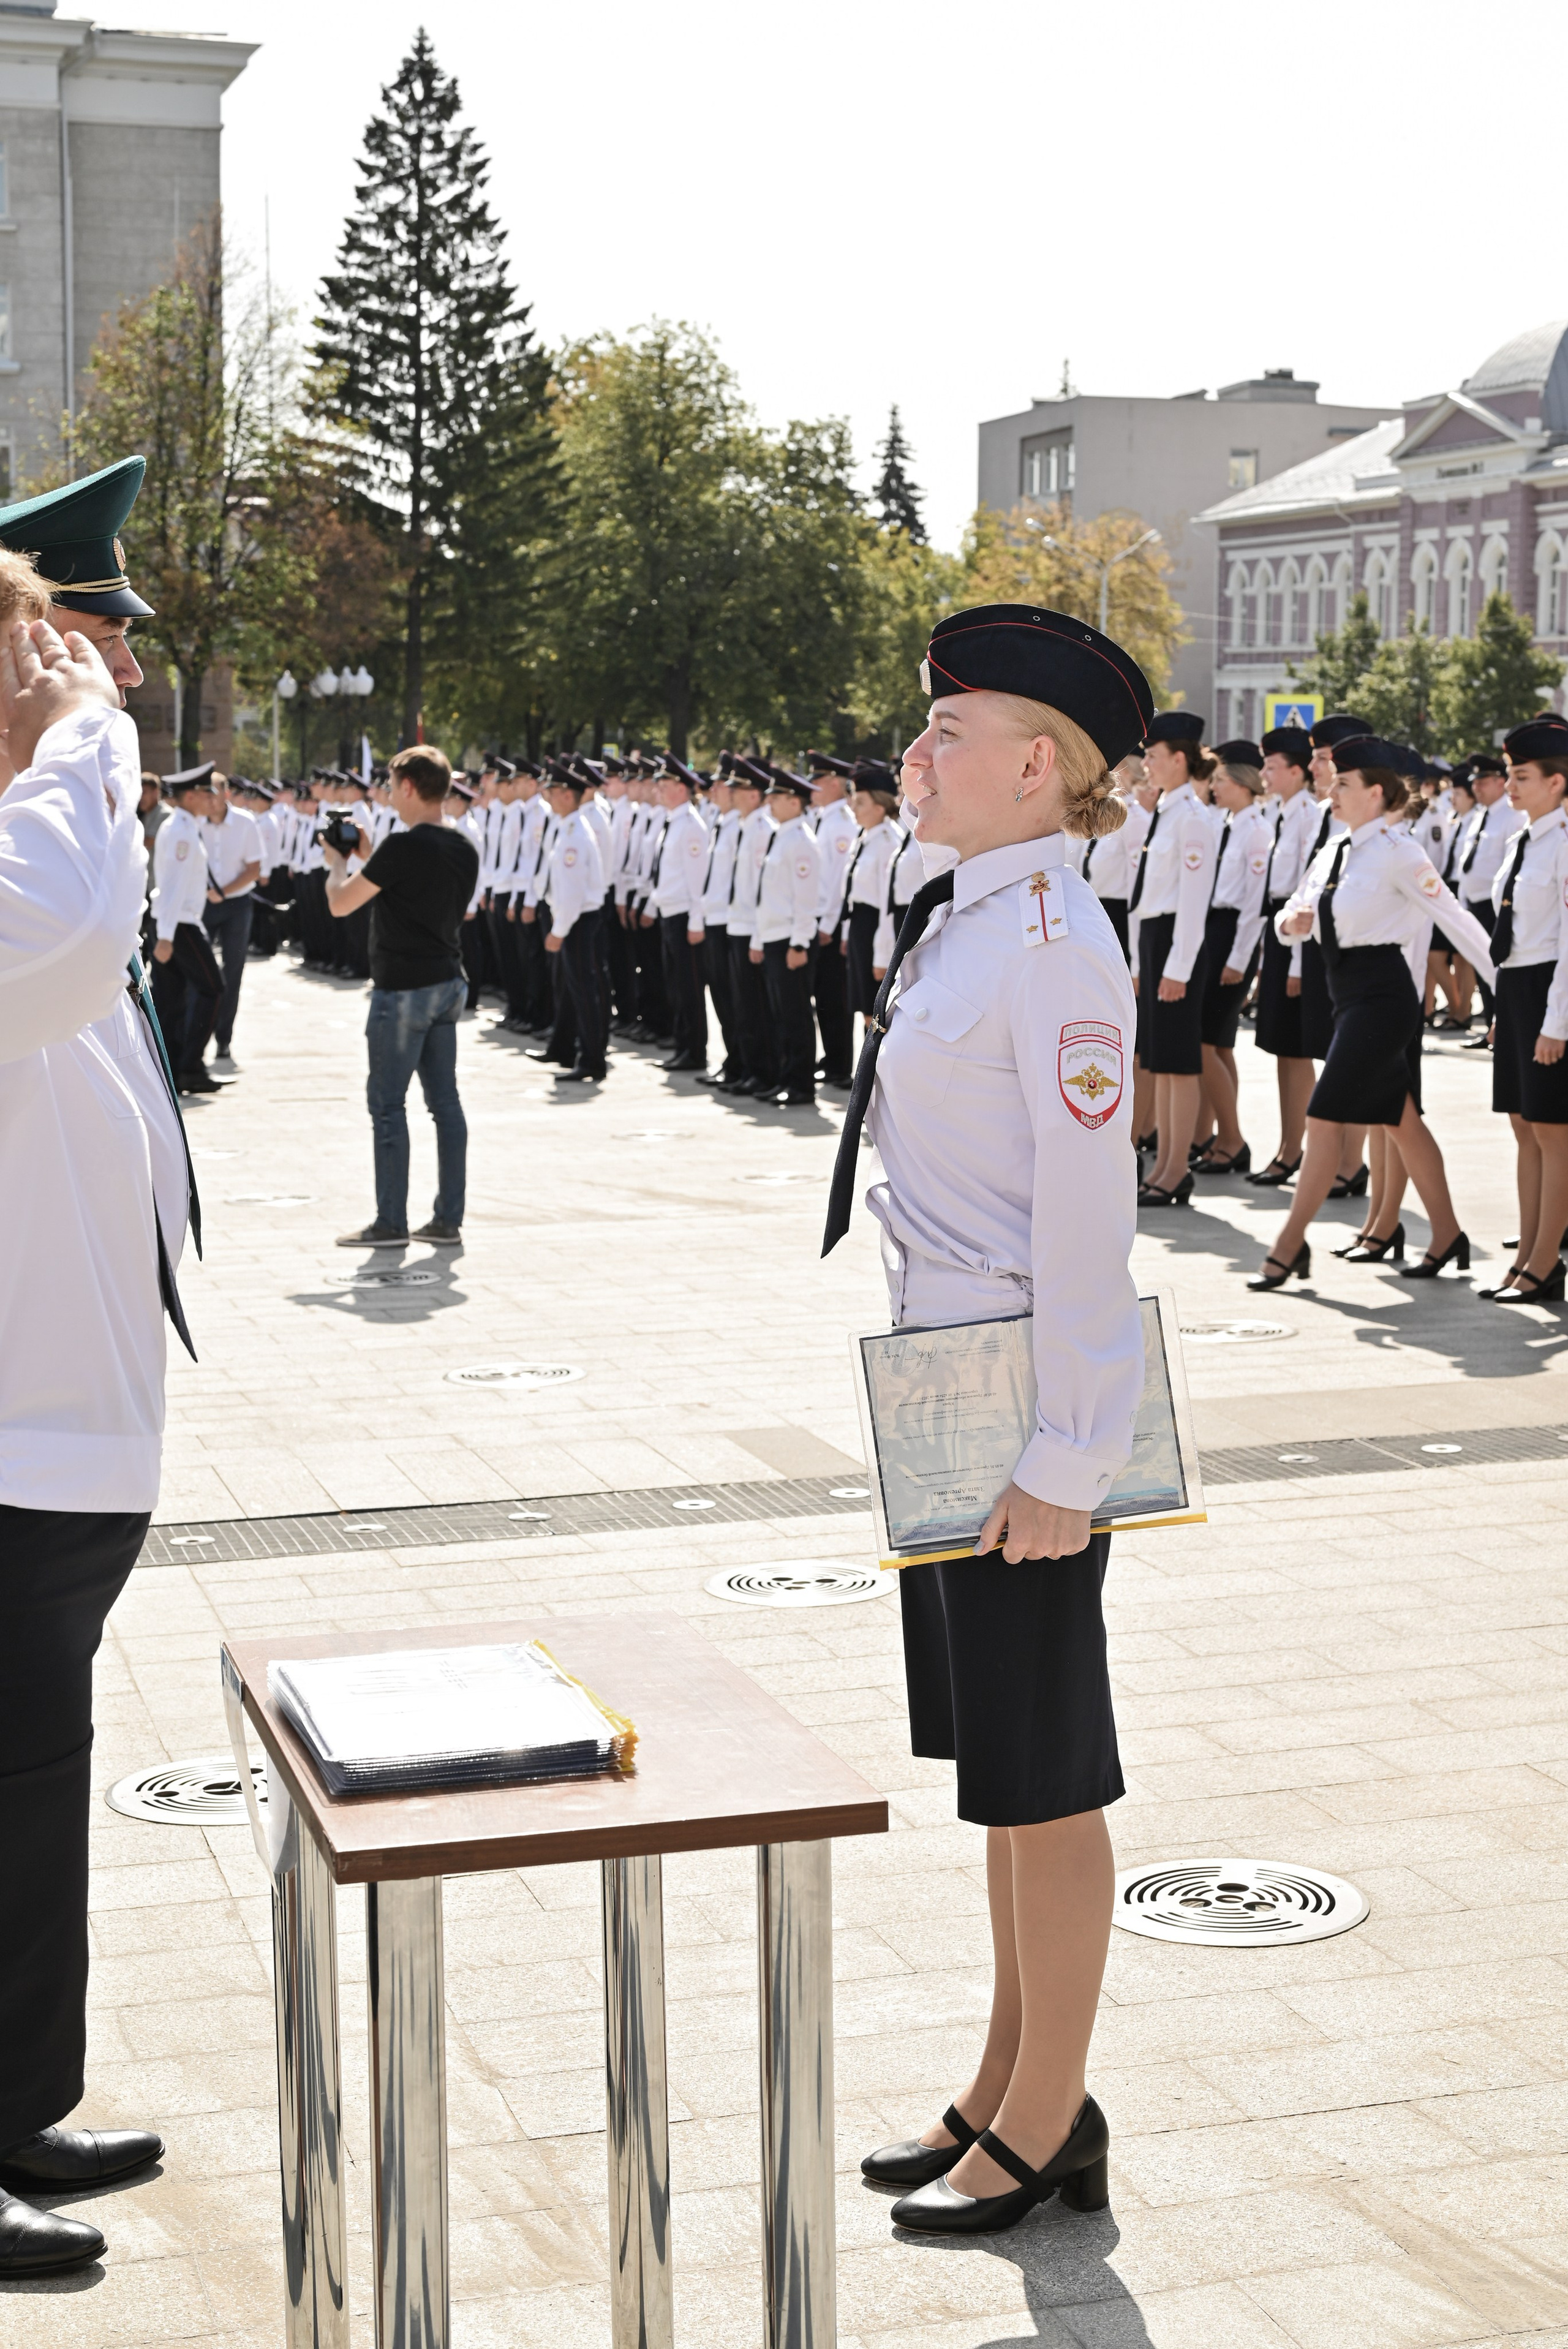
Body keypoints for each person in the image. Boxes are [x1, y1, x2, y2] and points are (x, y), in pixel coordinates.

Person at [823, 600, 1150, 2237]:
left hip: (1022, 1394)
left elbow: (1091, 1221)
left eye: (948, 731)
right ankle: (1010, 2080)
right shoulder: (966, 918)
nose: (916, 751)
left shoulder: (1055, 949)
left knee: (1049, 1772)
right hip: (946, 1377)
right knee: (1000, 1770)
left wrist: (1068, 1454)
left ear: (1036, 767)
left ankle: (1047, 2116)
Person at [0, 595, 190, 2277]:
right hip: (14, 1443)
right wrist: (82, 743)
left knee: (28, 1791)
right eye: (67, 647)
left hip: (54, 1442)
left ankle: (13, 2102)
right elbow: (59, 942)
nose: (106, 675)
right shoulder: (34, 860)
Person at [1250, 735, 1494, 1291]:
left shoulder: (1399, 852)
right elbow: (1291, 912)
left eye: (1344, 784)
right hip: (1345, 995)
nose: (1332, 791)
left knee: (1323, 1115)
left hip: (1383, 998)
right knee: (1400, 1120)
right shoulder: (1336, 848)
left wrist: (1507, 993)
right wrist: (1293, 924)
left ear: (1376, 793)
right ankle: (1448, 1234)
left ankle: (1288, 1245)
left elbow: (1456, 920)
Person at [325, 745, 479, 1246]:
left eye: (393, 786)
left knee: (388, 1105)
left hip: (404, 989)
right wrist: (371, 855)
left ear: (410, 787)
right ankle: (448, 1218)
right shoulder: (463, 846)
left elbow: (341, 903)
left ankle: (391, 1221)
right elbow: (417, 888)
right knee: (445, 1104)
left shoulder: (402, 847)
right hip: (447, 981)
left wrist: (336, 865)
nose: (389, 796)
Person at [1480, 716, 1568, 1303]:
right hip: (1516, 989)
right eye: (1510, 775)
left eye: (1522, 776)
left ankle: (1545, 1261)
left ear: (1557, 782)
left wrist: (1555, 1023)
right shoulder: (1523, 839)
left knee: (1553, 1131)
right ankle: (1527, 1253)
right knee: (1523, 1127)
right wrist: (1500, 1009)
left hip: (1549, 991)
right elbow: (1508, 933)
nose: (1509, 785)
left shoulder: (1563, 843)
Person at [1126, 711, 1217, 1204]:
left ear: (1180, 759)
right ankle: (1162, 1165)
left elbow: (1193, 902)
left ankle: (1176, 1167)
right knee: (1159, 1061)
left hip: (1176, 944)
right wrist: (1143, 965)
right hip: (1155, 941)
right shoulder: (1165, 812)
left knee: (1178, 1063)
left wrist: (1178, 968)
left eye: (1154, 756)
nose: (1146, 764)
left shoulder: (1193, 819)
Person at [1193, 742, 1272, 1175]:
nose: (1215, 786)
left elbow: (1255, 904)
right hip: (1216, 931)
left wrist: (1240, 958)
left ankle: (1233, 1138)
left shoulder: (1256, 830)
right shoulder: (1228, 824)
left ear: (1243, 783)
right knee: (1218, 1044)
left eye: (1222, 779)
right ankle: (1220, 1138)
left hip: (1231, 936)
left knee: (1205, 1041)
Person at [1249, 724, 1321, 1184]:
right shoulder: (1280, 813)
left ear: (1297, 771)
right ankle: (1287, 1145)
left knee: (1296, 1050)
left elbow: (1303, 893)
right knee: (1281, 1048)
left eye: (1272, 766)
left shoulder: (1309, 816)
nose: (1265, 774)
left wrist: (1295, 962)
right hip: (1278, 933)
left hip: (1297, 937)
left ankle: (1298, 1149)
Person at [149, 763, 228, 1095]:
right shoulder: (181, 830)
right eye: (208, 793)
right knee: (213, 989)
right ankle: (190, 1066)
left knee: (172, 1000)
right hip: (179, 924)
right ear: (192, 796)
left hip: (175, 922)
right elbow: (174, 885)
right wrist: (166, 936)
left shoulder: (184, 826)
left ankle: (170, 1069)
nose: (213, 799)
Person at [750, 769, 820, 1106]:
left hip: (790, 939)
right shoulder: (782, 835)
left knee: (796, 1015)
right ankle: (785, 1078)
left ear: (795, 802)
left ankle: (801, 1085)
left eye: (776, 798)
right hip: (775, 935)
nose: (770, 804)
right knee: (780, 1014)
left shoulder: (802, 841)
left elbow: (807, 899)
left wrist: (799, 943)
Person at [1455, 754, 1525, 1049]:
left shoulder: (1512, 816)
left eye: (1483, 782)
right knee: (1483, 969)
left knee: (1496, 969)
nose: (1477, 788)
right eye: (1475, 782)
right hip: (1474, 903)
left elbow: (1509, 867)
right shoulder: (1479, 815)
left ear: (1499, 782)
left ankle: (1502, 1029)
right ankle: (1490, 1028)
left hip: (1494, 907)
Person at [198, 771, 261, 1068]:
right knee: (199, 972)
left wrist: (223, 891)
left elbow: (253, 869)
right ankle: (197, 1039)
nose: (209, 799)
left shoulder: (246, 822)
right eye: (205, 793)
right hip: (202, 905)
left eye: (214, 792)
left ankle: (224, 1039)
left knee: (233, 972)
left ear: (226, 793)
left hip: (236, 905)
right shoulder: (195, 824)